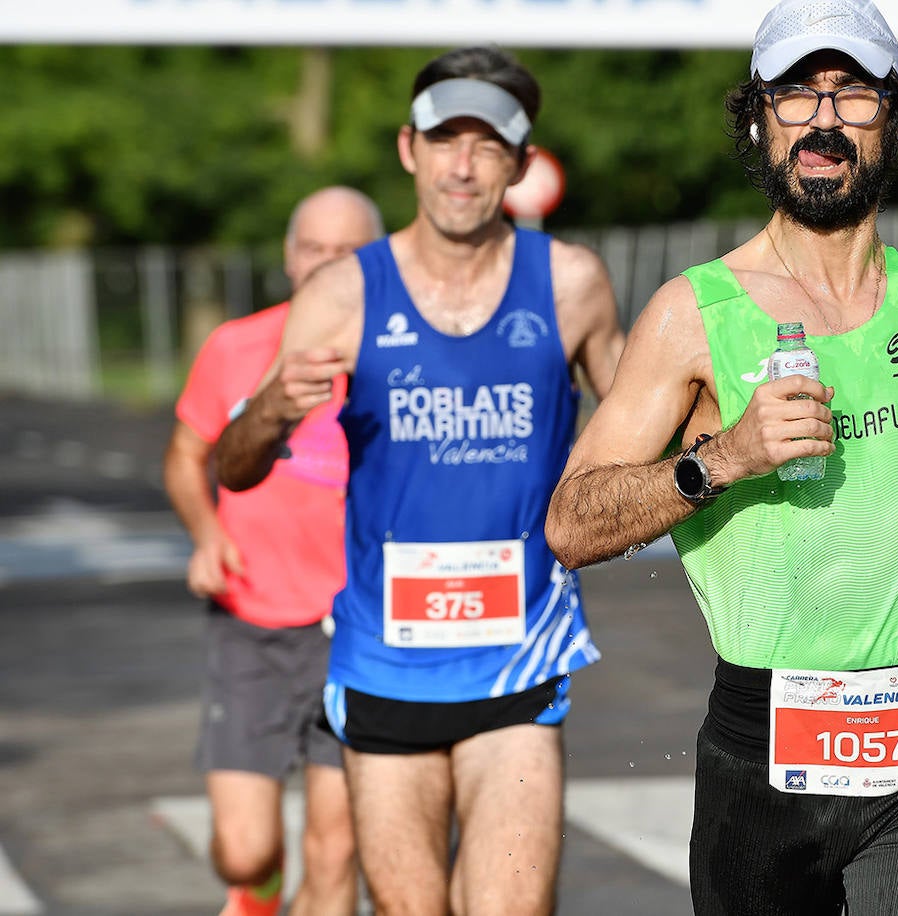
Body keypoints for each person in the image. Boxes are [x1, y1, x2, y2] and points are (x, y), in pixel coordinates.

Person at [545, 1, 898, 912]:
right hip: (763, 751)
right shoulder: (691, 315)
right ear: (759, 117)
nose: (823, 120)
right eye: (796, 93)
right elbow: (569, 524)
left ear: (896, 117)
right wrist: (721, 458)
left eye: (853, 94)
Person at [213, 46, 624, 916]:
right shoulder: (342, 295)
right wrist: (269, 412)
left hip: (520, 663)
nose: (463, 166)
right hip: (384, 668)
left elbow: (644, 430)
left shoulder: (572, 284)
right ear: (410, 148)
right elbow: (234, 467)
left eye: (487, 145)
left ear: (521, 162)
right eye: (445, 141)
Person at [163, 185, 383, 916]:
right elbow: (185, 455)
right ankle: (256, 889)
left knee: (336, 850)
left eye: (346, 250)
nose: (327, 263)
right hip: (249, 622)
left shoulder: (393, 355)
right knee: (246, 847)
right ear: (289, 259)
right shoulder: (236, 347)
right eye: (313, 248)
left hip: (354, 632)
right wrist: (206, 535)